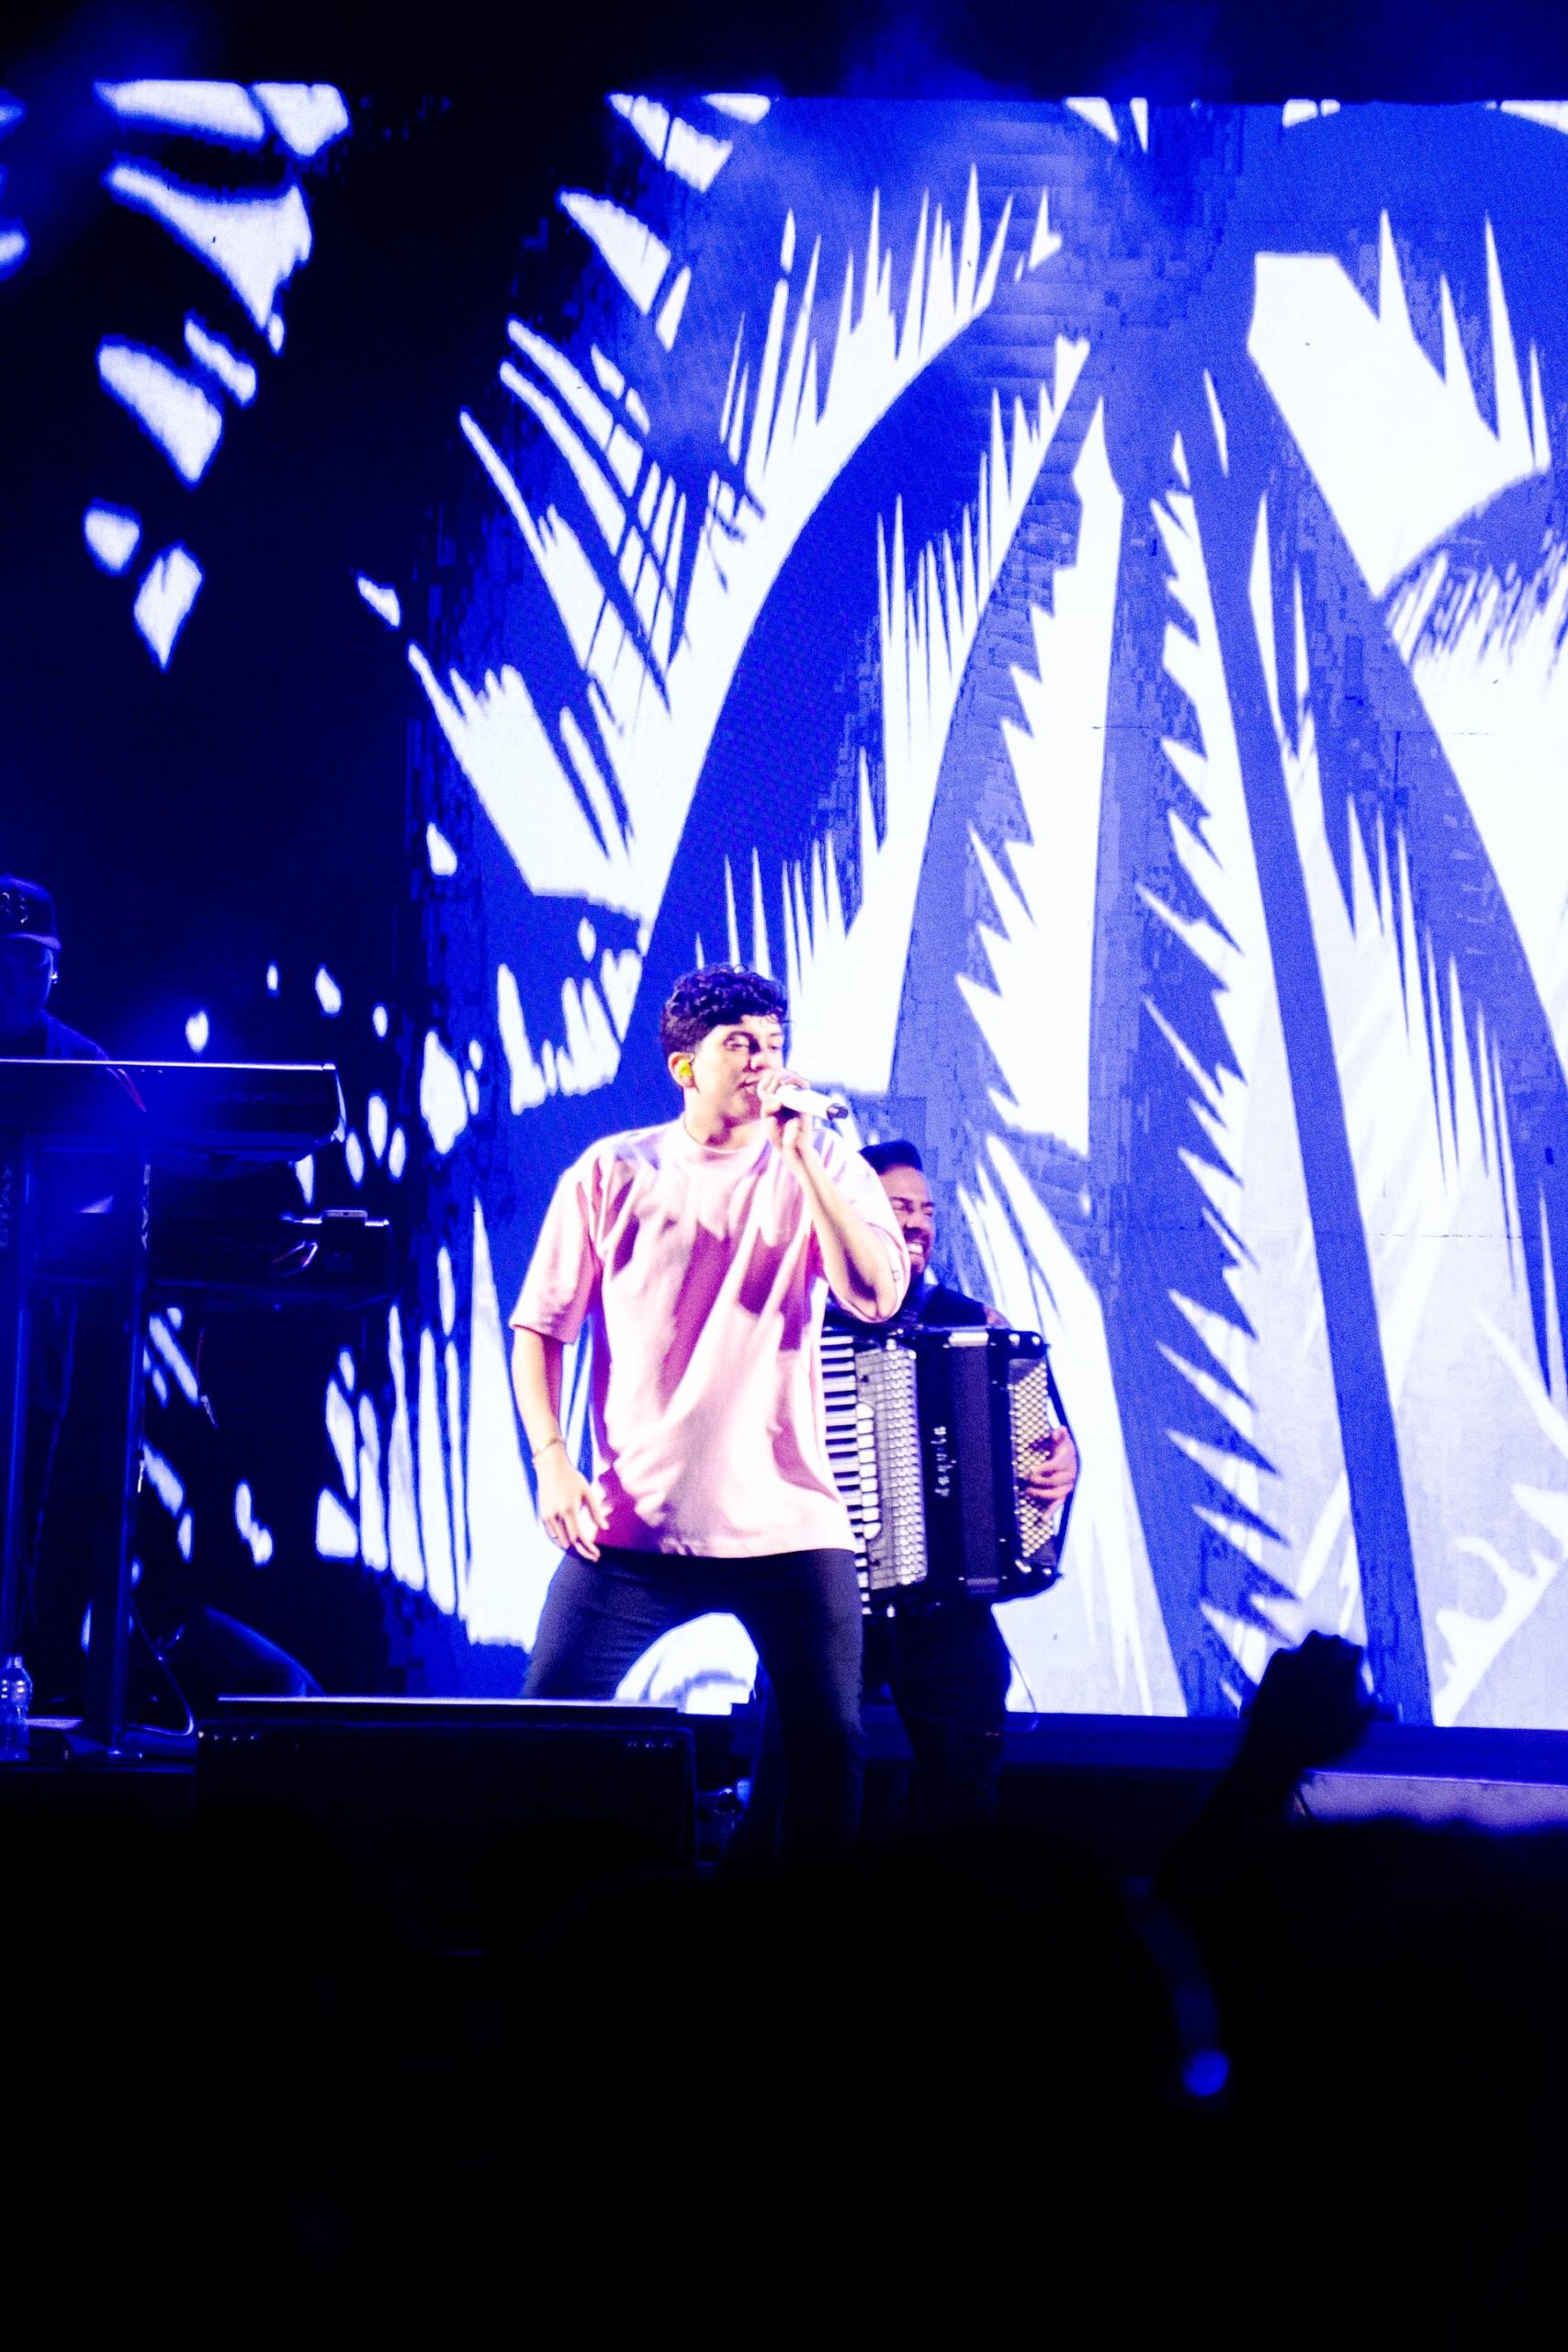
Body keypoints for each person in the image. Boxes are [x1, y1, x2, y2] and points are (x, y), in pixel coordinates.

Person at [510, 964, 908, 1854]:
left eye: (773, 1043)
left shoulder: (827, 1164)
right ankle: (550, 1909)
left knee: (829, 1745)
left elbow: (876, 1296)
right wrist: (552, 1462)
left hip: (791, 1526)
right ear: (685, 1067)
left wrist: (804, 1160)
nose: (764, 1061)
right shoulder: (615, 1169)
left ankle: (798, 1926)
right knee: (543, 1723)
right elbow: (539, 1327)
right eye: (740, 1044)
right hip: (637, 1526)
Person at [840, 1139, 1079, 1829]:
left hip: (944, 1610)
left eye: (927, 1211)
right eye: (899, 1207)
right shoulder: (803, 1319)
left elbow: (1043, 1442)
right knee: (810, 1789)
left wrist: (1061, 1465)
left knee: (965, 1794)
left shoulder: (970, 1322)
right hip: (830, 1606)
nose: (918, 1223)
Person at [0, 876, 107, 1682]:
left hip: (35, 1337)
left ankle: (8, 1676)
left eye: (32, 963)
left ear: (55, 968)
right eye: (5, 963)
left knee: (19, 1516)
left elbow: (117, 1187)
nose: (19, 979)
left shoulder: (84, 1066)